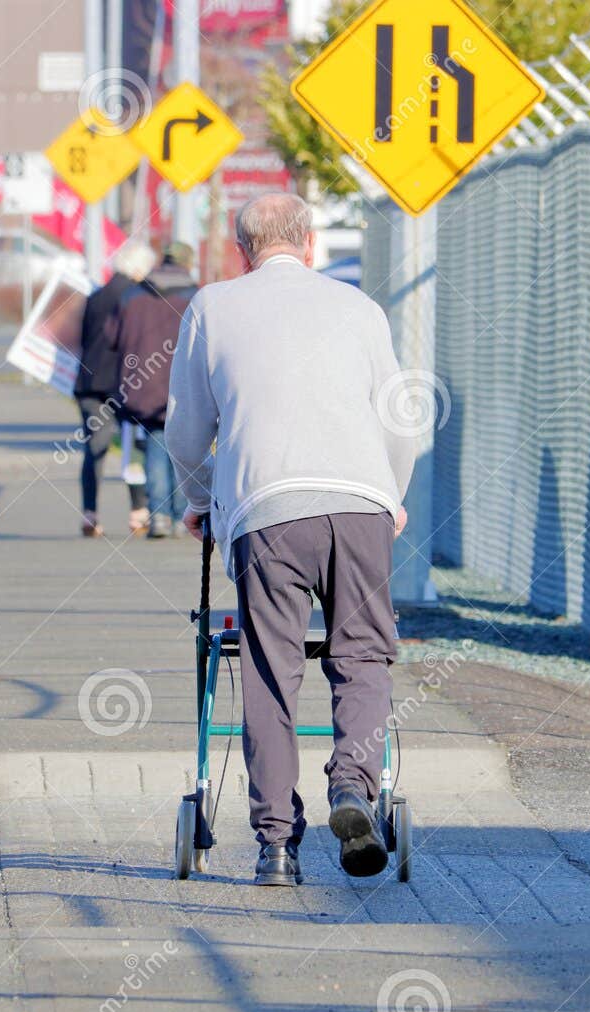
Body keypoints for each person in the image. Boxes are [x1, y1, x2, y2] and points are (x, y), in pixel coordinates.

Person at [165, 194, 416, 886]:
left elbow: (185, 433)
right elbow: (400, 422)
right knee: (362, 654)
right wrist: (389, 497)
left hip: (266, 507)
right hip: (361, 504)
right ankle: (353, 789)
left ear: (242, 249)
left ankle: (277, 845)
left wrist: (198, 501)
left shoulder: (214, 308)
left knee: (272, 672)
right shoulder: (360, 310)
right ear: (307, 242)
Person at [106, 241, 199, 538]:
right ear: (187, 263)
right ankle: (180, 516)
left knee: (155, 444)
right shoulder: (198, 297)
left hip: (143, 384)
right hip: (185, 385)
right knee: (184, 449)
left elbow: (113, 338)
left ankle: (159, 516)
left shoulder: (133, 296)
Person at [73, 241, 156, 537]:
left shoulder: (95, 297)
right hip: (126, 385)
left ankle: (90, 513)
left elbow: (84, 340)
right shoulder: (138, 299)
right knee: (133, 447)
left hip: (90, 385)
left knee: (94, 448)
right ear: (138, 270)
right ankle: (138, 513)